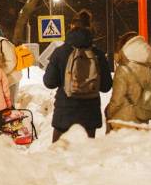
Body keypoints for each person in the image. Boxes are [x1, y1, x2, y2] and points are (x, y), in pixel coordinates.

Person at [43, 9, 113, 141]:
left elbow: (49, 82)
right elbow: (106, 86)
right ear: (89, 28)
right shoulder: (97, 54)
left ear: (71, 27)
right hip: (89, 117)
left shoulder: (60, 52)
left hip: (64, 116)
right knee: (84, 157)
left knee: (60, 155)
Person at [105, 35, 151, 129]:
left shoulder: (123, 69)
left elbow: (117, 100)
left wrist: (108, 112)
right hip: (141, 119)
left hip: (122, 121)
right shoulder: (146, 69)